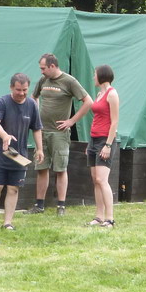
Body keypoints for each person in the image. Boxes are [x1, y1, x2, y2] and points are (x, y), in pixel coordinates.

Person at [27, 53, 93, 217]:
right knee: (41, 168)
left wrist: (72, 121)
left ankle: (61, 206)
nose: (41, 71)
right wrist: (36, 117)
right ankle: (39, 205)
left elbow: (88, 102)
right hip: (42, 132)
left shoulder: (69, 81)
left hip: (59, 133)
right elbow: (33, 97)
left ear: (52, 66)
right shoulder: (43, 80)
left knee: (60, 169)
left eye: (43, 68)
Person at [0, 73, 44, 230]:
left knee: (13, 188)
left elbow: (37, 128)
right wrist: (5, 136)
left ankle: (7, 222)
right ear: (11, 87)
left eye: (25, 90)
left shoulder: (32, 105)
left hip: (19, 156)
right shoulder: (1, 102)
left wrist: (40, 149)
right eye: (18, 90)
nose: (22, 93)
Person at [88, 64, 119, 228]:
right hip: (93, 140)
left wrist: (107, 145)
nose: (94, 77)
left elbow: (114, 122)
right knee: (95, 180)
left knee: (102, 179)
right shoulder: (99, 94)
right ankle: (99, 217)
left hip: (105, 140)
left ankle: (110, 219)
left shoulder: (112, 94)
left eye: (95, 74)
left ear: (102, 76)